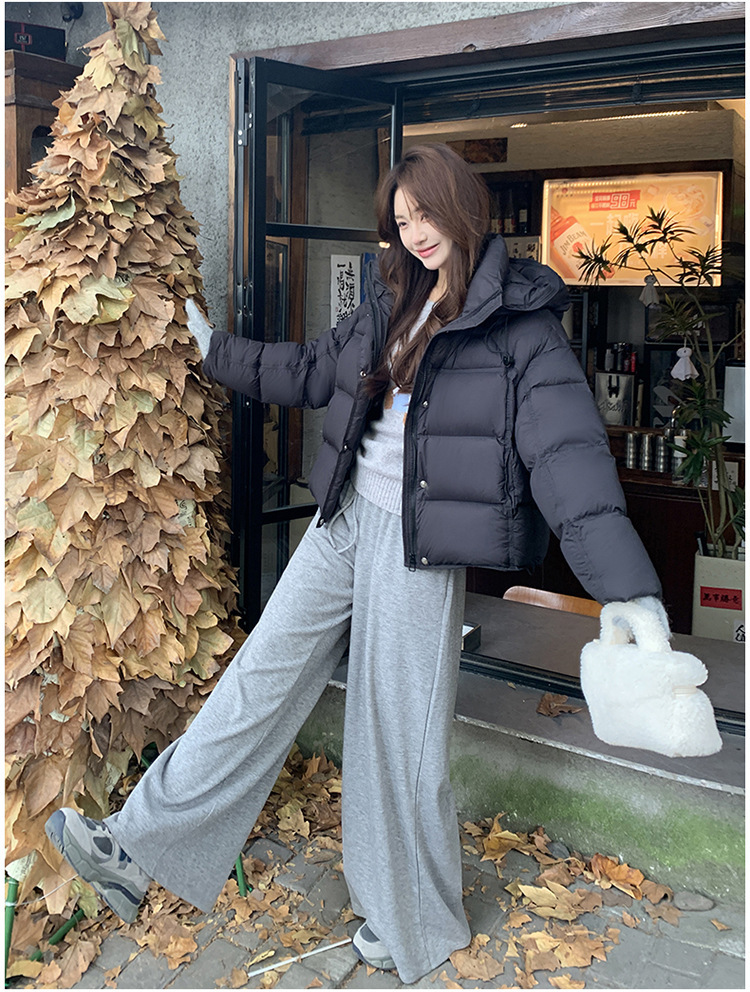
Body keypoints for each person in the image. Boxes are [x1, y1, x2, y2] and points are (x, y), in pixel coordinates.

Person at [46, 143, 669, 984]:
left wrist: (627, 590)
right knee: (258, 677)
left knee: (394, 731)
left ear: (463, 207)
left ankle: (416, 922)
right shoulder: (392, 302)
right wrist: (214, 350)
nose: (415, 233)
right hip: (341, 524)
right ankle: (134, 846)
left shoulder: (522, 327)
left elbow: (571, 462)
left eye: (426, 214)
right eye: (401, 220)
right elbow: (308, 370)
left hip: (417, 548)